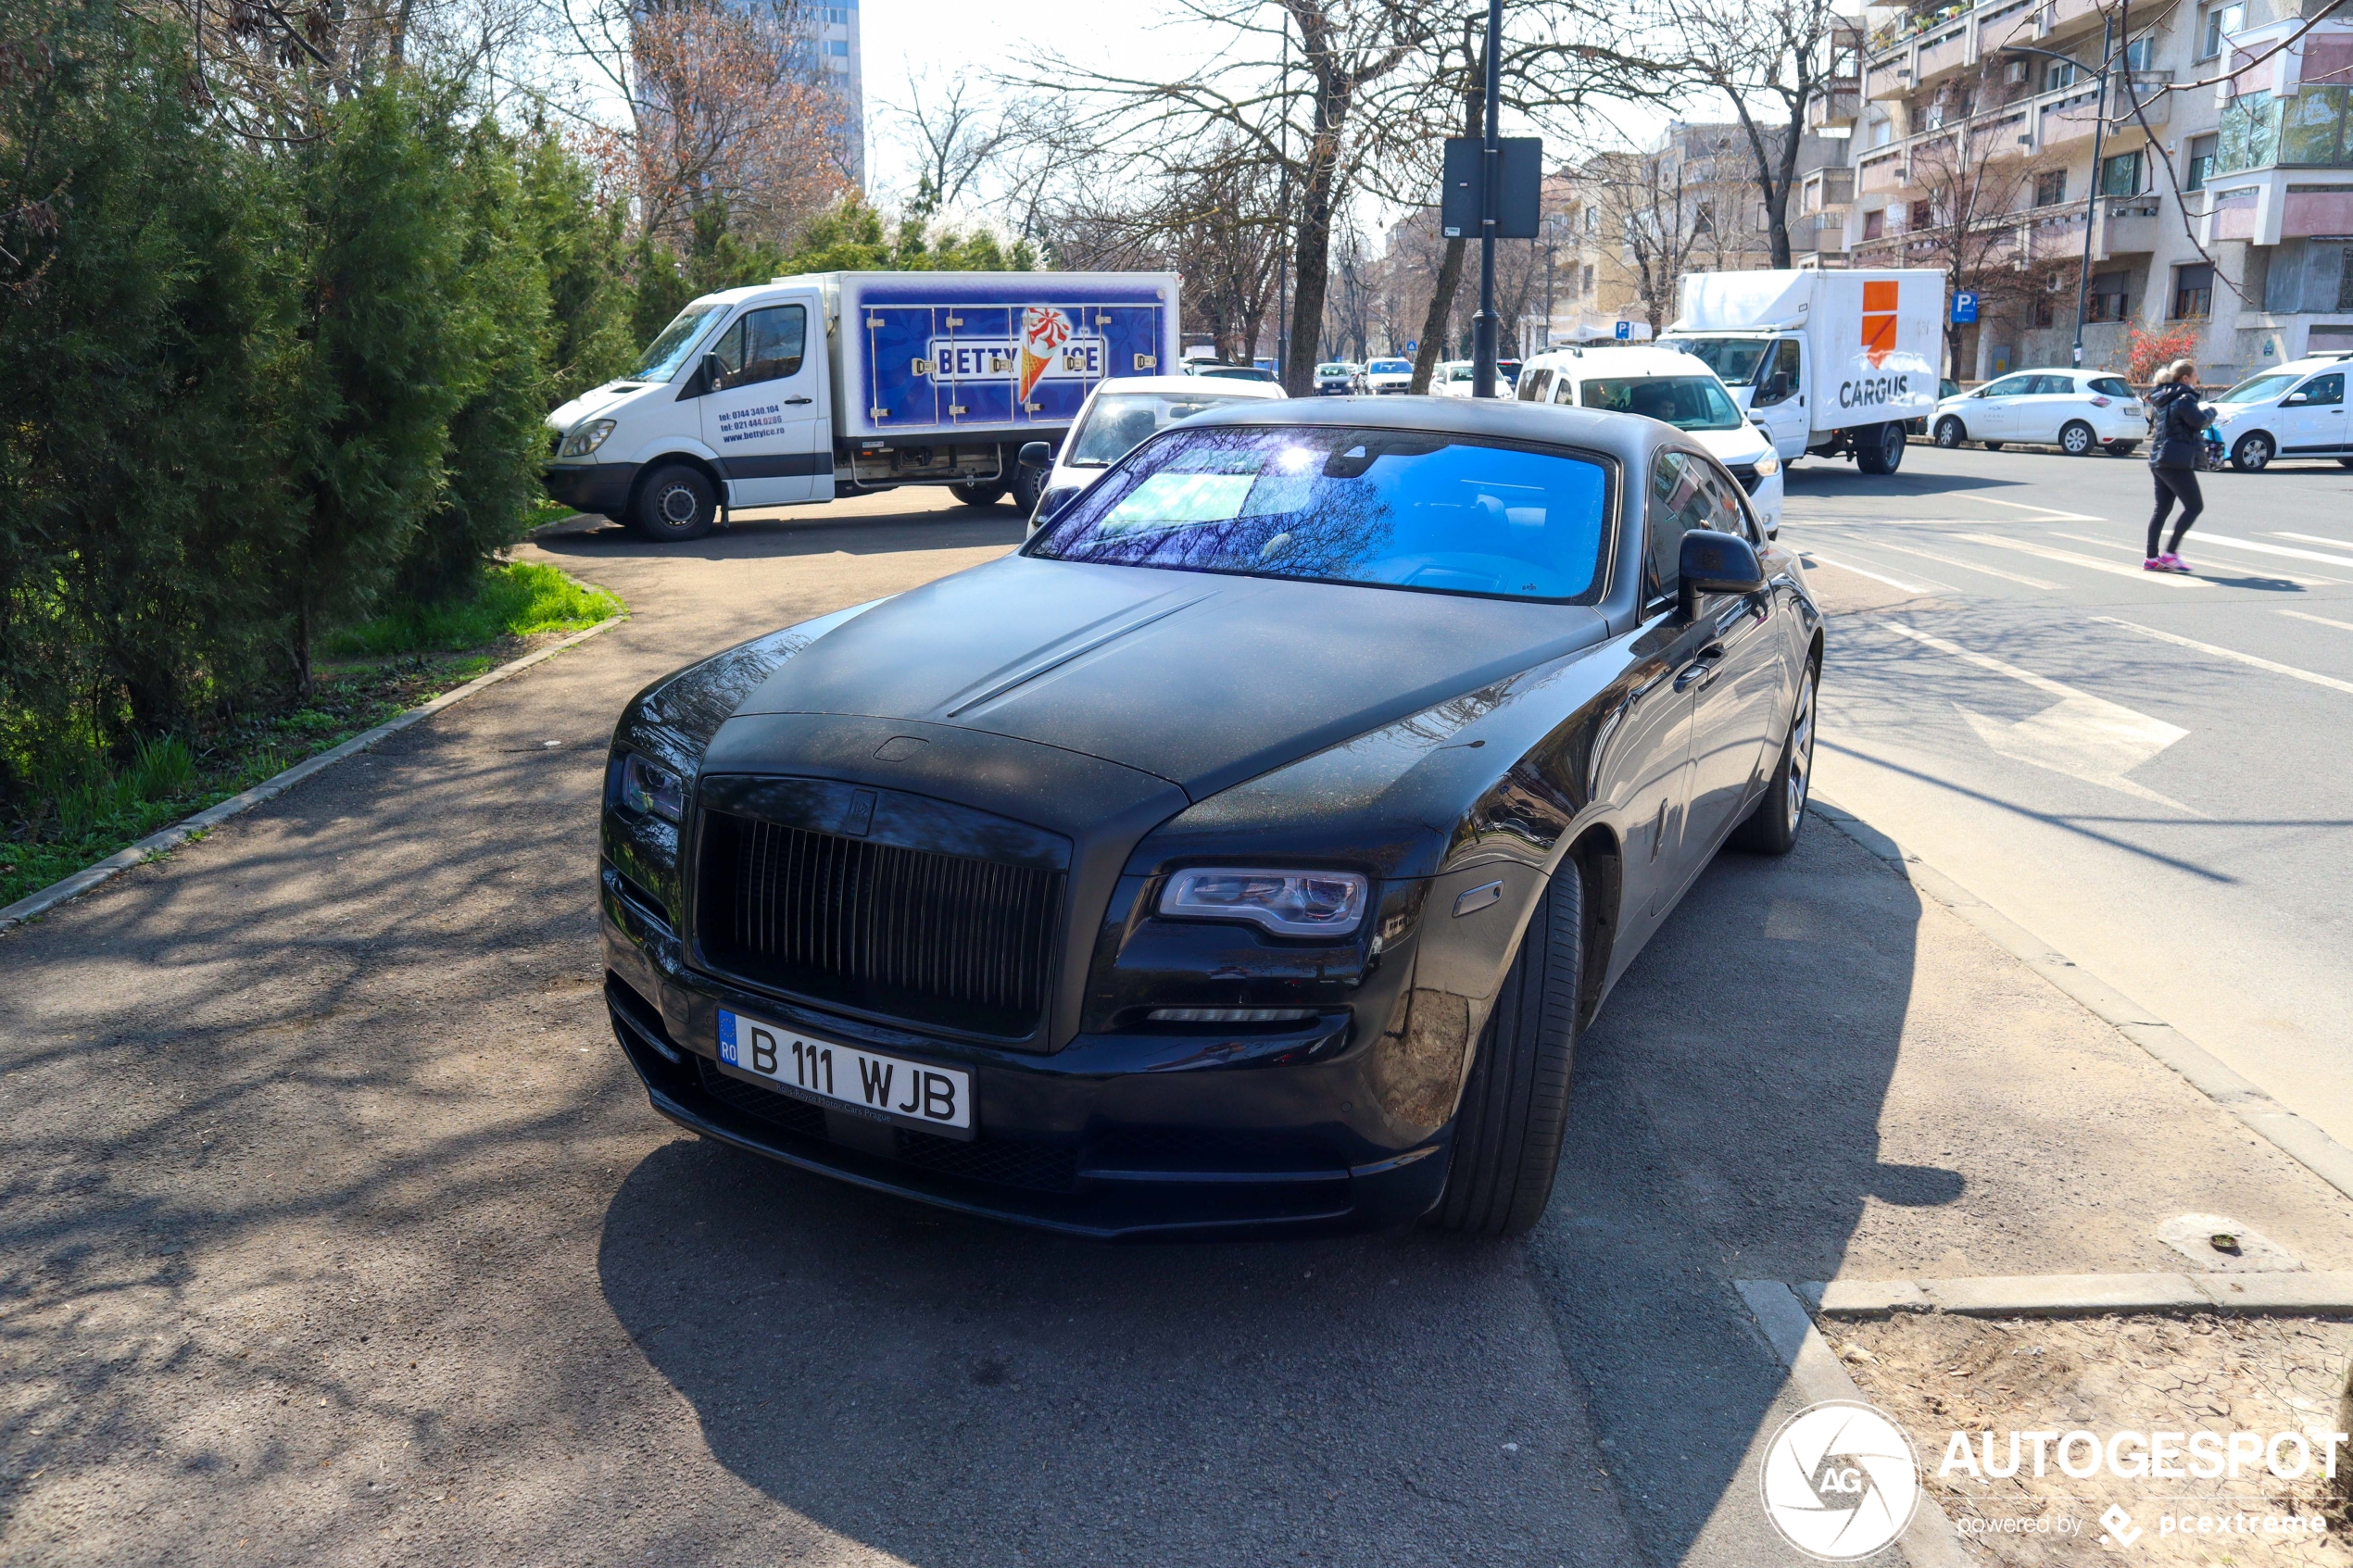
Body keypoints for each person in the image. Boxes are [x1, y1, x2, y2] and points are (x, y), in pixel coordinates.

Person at [2143, 359, 2210, 573]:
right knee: (2194, 506)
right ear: (2185, 378)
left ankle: (2152, 558)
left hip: (2159, 459)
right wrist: (2211, 412)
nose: (2197, 379)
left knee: (2162, 508)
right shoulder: (2183, 398)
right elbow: (2198, 421)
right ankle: (2170, 554)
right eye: (2195, 375)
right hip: (2175, 460)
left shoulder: (2162, 397)